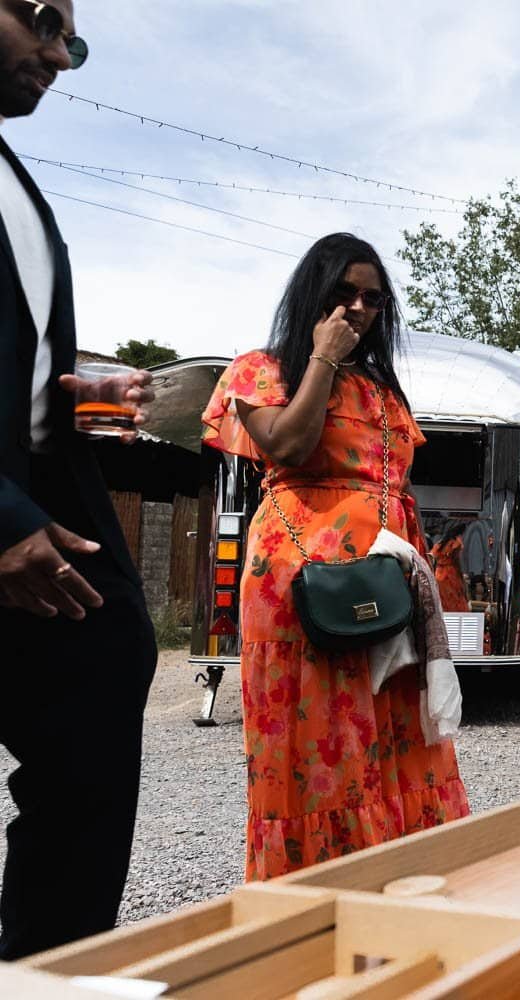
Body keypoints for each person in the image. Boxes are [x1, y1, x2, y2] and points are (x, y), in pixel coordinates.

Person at [201, 233, 468, 881]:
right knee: (320, 755)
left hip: (387, 583)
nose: (358, 307)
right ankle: (311, 906)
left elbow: (396, 487)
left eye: (372, 298)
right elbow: (288, 447)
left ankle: (399, 890)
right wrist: (321, 358)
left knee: (400, 745)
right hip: (297, 585)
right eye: (344, 292)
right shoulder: (261, 369)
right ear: (313, 294)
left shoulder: (383, 390)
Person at [0, 0, 160, 960]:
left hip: (41, 500)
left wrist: (72, 395)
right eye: (40, 19)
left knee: (102, 681)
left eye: (74, 38)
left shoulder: (16, 180)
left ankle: (47, 970)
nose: (60, 53)